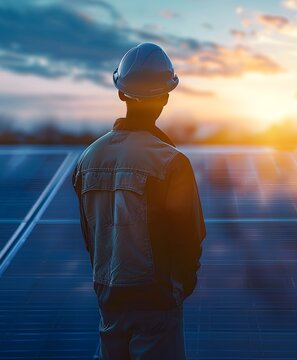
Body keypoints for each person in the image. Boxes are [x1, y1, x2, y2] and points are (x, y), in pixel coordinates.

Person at [72, 43, 206, 360]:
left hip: (107, 291)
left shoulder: (87, 159)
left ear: (121, 93)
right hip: (156, 297)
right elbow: (190, 237)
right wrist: (179, 286)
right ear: (166, 97)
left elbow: (89, 235)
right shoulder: (172, 162)